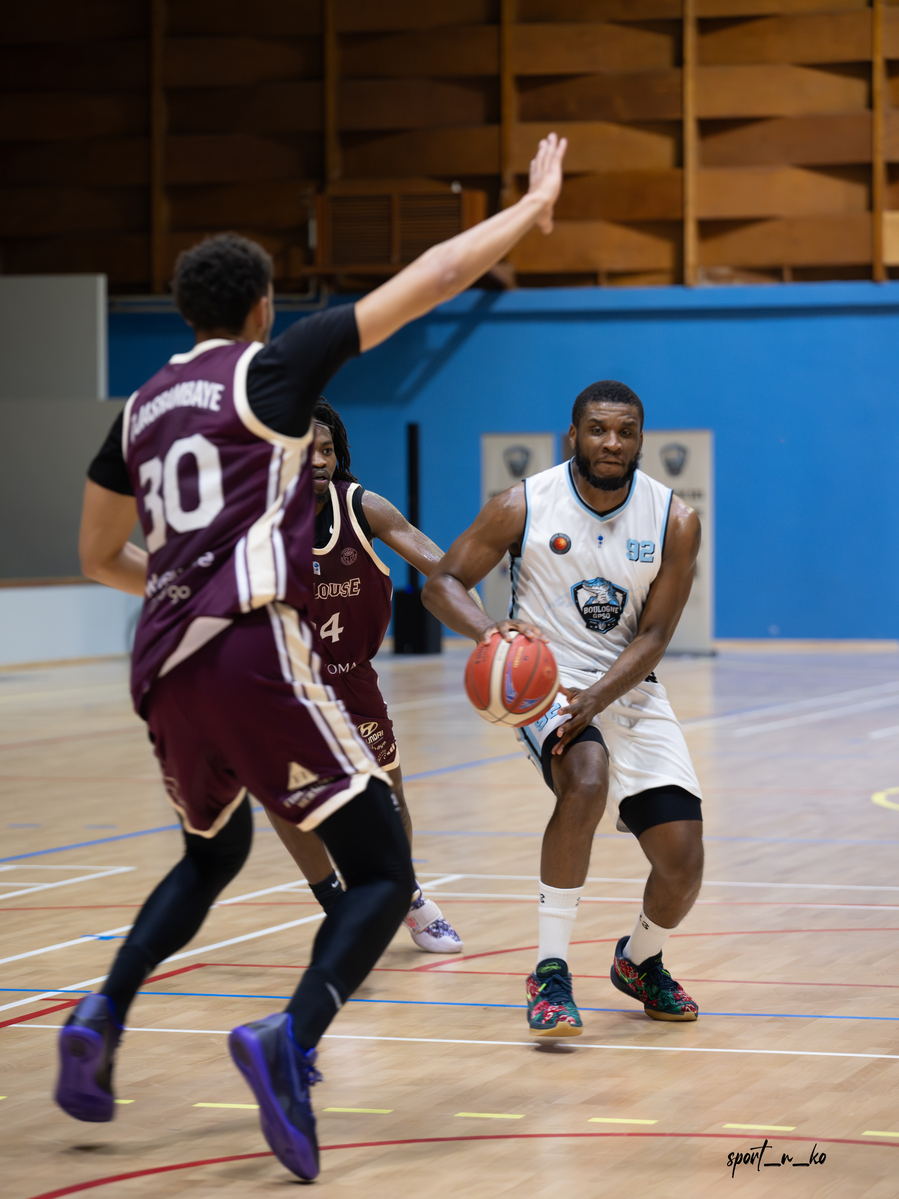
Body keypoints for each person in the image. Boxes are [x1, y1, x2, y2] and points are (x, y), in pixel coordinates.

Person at [54, 132, 567, 1181]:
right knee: (384, 870)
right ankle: (288, 1039)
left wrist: (180, 588)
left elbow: (98, 555)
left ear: (183, 310)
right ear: (260, 308)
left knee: (211, 853)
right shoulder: (273, 370)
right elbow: (435, 275)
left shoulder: (139, 408)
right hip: (250, 650)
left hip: (159, 664)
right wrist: (531, 207)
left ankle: (104, 1008)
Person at [423, 380, 703, 1038]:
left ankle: (639, 961)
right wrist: (494, 636)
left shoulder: (674, 520)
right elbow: (441, 583)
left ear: (640, 439)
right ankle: (549, 973)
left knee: (682, 861)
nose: (612, 442)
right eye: (598, 429)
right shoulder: (522, 504)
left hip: (627, 684)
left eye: (625, 431)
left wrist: (600, 696)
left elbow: (655, 635)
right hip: (546, 682)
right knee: (585, 780)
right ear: (572, 435)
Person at [265, 398, 463, 953]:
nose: (320, 461)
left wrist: (491, 630)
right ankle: (339, 905)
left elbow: (445, 571)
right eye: (307, 451)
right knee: (285, 801)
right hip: (282, 686)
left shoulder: (363, 508)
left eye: (328, 451)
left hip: (350, 677)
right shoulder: (257, 523)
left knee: (387, 799)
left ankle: (406, 894)